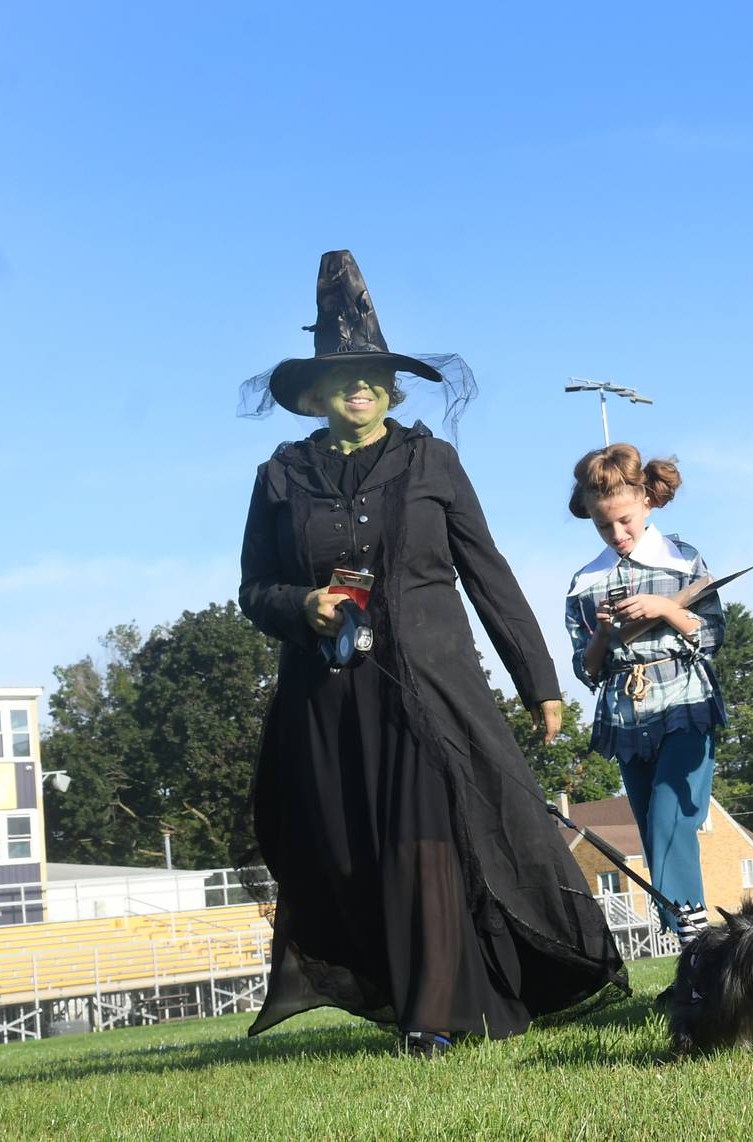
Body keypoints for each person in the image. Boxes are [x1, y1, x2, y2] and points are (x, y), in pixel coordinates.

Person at [236, 250, 623, 1055]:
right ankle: (419, 988)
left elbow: (488, 571)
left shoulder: (429, 461)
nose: (362, 385)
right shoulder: (280, 476)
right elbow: (253, 590)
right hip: (328, 697)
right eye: (344, 376)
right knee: (353, 849)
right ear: (314, 392)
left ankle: (432, 1014)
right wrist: (301, 604)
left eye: (375, 373)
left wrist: (538, 681)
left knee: (426, 839)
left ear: (392, 385)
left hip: (431, 687)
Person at [565, 444, 726, 940]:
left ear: (647, 501)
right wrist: (600, 636)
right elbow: (585, 670)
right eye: (603, 526)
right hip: (624, 715)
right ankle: (691, 948)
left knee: (668, 816)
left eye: (626, 521)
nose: (617, 534)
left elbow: (714, 634)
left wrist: (666, 609)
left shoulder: (683, 560)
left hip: (684, 703)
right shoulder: (585, 583)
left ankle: (694, 939)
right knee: (656, 834)